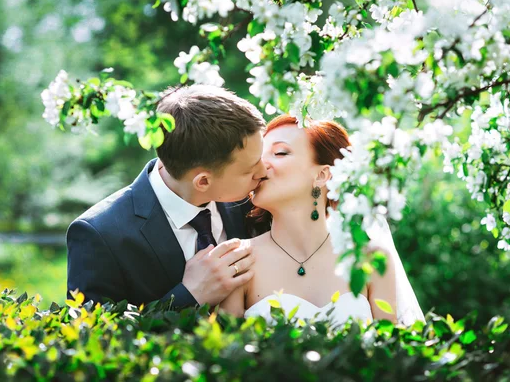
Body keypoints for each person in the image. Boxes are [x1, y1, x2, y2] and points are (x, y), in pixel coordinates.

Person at [66, 85, 267, 308]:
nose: (264, 172)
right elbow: (95, 336)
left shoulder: (257, 201)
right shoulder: (99, 234)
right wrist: (189, 296)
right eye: (249, 169)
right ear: (203, 181)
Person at [220, 114, 424, 326]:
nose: (261, 166)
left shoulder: (369, 259)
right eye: (260, 156)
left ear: (322, 175)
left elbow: (390, 350)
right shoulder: (238, 262)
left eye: (280, 152)